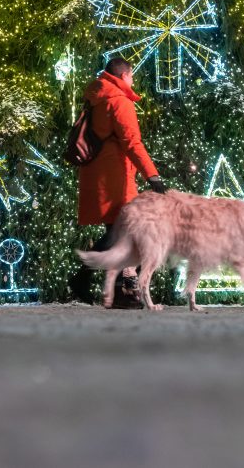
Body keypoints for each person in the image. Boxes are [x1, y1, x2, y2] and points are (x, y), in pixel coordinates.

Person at [74, 58, 166, 309]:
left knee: (117, 234)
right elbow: (132, 142)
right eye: (132, 75)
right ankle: (87, 275)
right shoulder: (119, 102)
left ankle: (118, 291)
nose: (133, 80)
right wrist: (152, 175)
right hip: (116, 177)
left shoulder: (95, 97)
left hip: (97, 174)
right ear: (124, 75)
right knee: (124, 235)